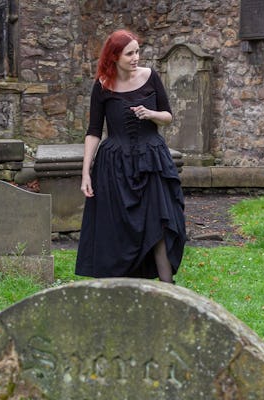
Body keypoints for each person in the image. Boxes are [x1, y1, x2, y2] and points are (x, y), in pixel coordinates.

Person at [75, 29, 187, 283]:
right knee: (118, 229)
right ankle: (120, 289)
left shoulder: (150, 77)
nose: (136, 57)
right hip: (114, 165)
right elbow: (94, 131)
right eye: (130, 53)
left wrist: (151, 114)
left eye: (137, 51)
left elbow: (168, 116)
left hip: (152, 161)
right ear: (114, 57)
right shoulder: (103, 85)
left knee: (159, 223)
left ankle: (168, 291)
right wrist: (85, 173)